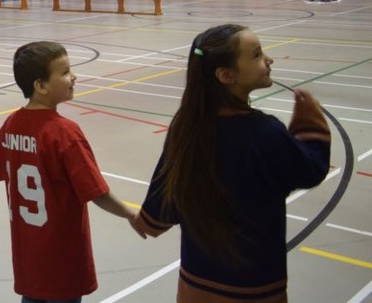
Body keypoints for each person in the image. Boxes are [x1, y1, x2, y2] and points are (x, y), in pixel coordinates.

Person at [134, 24, 330, 301]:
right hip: (254, 288)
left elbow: (165, 196)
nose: (269, 59)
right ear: (226, 75)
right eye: (257, 55)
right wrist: (310, 126)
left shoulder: (186, 128)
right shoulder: (264, 131)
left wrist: (147, 222)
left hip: (196, 285)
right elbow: (309, 171)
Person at [0, 42, 142, 303]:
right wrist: (130, 213)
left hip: (28, 261)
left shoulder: (11, 124)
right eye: (65, 72)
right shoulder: (65, 133)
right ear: (40, 86)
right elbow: (96, 192)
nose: (73, 77)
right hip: (62, 261)